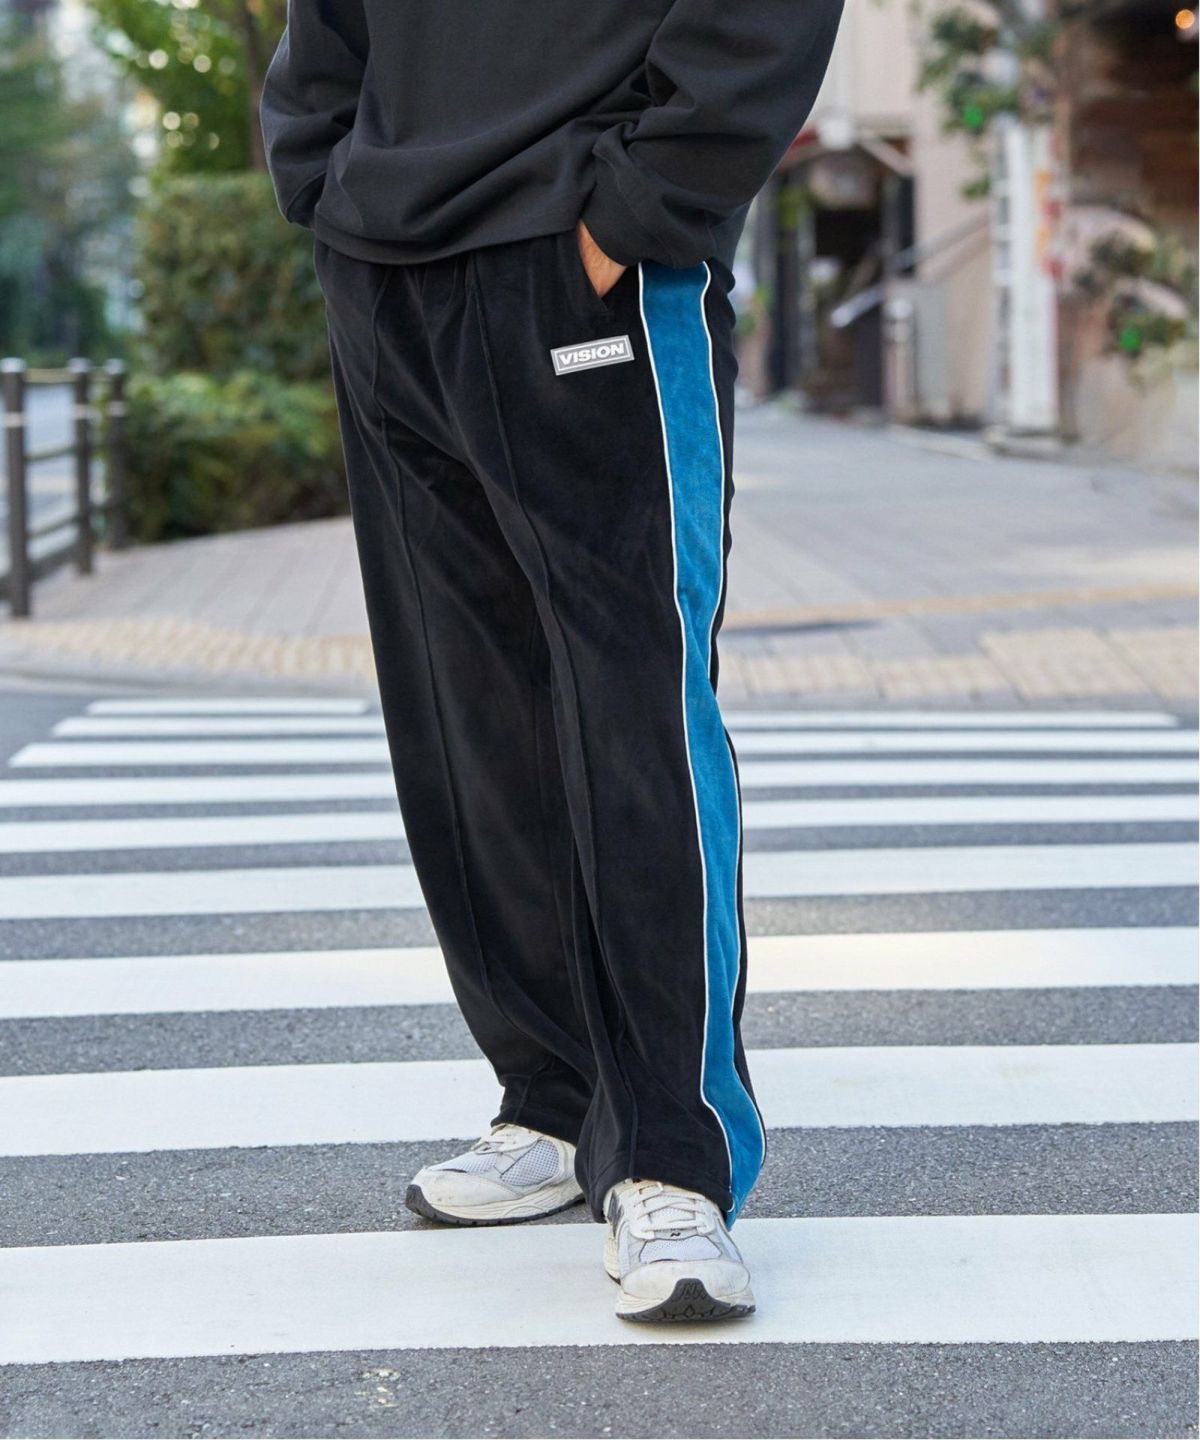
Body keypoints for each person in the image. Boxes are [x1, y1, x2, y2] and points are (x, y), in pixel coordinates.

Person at [261, 0, 841, 1324]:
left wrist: (640, 209)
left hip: (589, 254)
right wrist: (326, 181)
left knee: (632, 708)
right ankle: (555, 1092)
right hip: (388, 266)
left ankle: (671, 1157)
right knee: (467, 711)